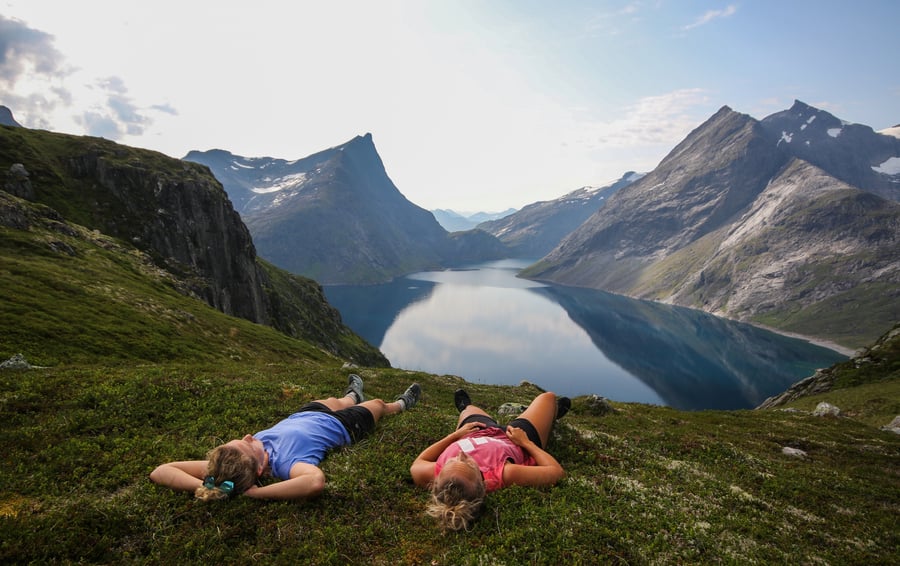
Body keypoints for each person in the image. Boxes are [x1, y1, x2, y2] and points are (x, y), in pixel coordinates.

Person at [150, 375, 421, 501]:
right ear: (258, 469)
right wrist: (256, 494)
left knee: (331, 399)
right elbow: (315, 482)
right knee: (376, 405)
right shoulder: (285, 464)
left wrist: (212, 486)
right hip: (343, 426)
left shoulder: (224, 468)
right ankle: (400, 404)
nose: (248, 435)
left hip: (303, 415)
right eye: (249, 443)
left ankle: (352, 394)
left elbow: (160, 471)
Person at [410, 389, 570, 531]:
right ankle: (553, 415)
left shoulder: (440, 473)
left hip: (475, 430)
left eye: (451, 462)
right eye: (469, 464)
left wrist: (454, 436)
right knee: (548, 398)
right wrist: (526, 442)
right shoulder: (503, 473)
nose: (461, 455)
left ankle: (465, 407)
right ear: (483, 485)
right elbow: (556, 472)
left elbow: (417, 464)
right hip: (513, 437)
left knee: (468, 409)